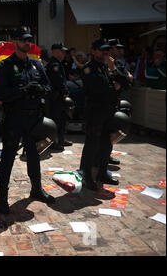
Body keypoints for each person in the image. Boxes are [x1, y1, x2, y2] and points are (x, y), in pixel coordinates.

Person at [0, 26, 55, 214]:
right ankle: (2, 198)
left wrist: (40, 90)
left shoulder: (36, 64)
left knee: (34, 156)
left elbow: (49, 87)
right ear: (15, 42)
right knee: (8, 159)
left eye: (29, 40)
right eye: (23, 40)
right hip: (13, 119)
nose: (27, 43)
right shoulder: (5, 66)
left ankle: (36, 190)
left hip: (34, 119)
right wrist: (22, 91)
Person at [79, 39, 125, 191]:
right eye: (101, 50)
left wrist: (113, 72)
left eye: (106, 50)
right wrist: (114, 87)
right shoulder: (88, 68)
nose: (105, 52)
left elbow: (125, 82)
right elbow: (98, 90)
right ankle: (86, 176)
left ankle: (102, 173)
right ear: (93, 51)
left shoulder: (108, 67)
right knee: (92, 145)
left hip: (108, 112)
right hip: (95, 112)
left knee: (106, 144)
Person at [106, 39, 134, 165]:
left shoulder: (118, 63)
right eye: (117, 48)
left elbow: (127, 82)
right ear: (111, 49)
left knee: (113, 130)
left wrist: (117, 74)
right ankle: (101, 156)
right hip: (104, 104)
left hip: (115, 102)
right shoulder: (102, 63)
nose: (120, 50)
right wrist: (119, 79)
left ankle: (107, 154)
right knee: (103, 132)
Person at [46, 42, 72, 151]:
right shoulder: (54, 64)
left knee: (62, 119)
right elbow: (58, 80)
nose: (63, 53)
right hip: (55, 97)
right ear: (55, 52)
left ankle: (61, 139)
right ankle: (53, 142)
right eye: (62, 51)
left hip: (59, 97)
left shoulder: (58, 63)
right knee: (55, 120)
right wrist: (65, 90)